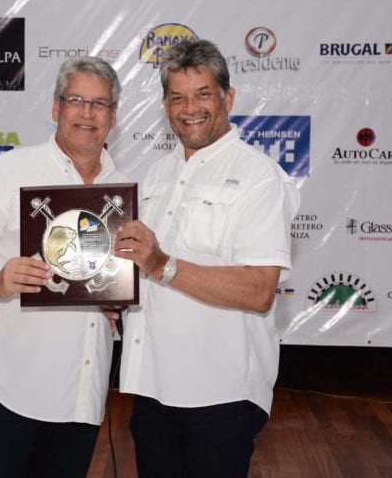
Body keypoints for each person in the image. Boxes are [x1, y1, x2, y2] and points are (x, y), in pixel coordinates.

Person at [113, 39, 300, 477]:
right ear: (165, 106)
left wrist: (161, 265)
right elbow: (143, 270)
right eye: (177, 97)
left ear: (227, 98)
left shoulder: (259, 177)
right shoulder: (158, 174)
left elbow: (258, 290)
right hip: (151, 386)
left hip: (220, 394)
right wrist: (112, 292)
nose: (190, 108)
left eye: (203, 94)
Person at [0, 56, 127, 477]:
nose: (87, 113)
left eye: (100, 104)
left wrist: (117, 299)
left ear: (113, 116)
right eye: (76, 100)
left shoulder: (121, 193)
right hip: (4, 391)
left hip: (80, 397)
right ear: (56, 107)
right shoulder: (5, 174)